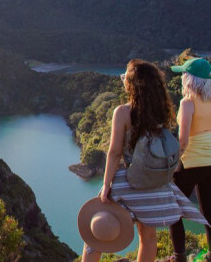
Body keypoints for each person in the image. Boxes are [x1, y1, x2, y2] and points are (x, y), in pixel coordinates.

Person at [81, 59, 208, 262]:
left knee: (96, 234)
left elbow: (114, 153)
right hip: (155, 185)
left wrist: (106, 185)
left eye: (125, 77)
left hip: (127, 181)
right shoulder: (162, 112)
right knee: (148, 238)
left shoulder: (123, 112)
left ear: (132, 85)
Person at [168, 57, 211, 262]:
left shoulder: (187, 103)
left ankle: (179, 256)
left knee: (173, 208)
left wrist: (175, 164)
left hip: (192, 161)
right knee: (209, 210)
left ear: (190, 79)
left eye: (184, 74)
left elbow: (183, 139)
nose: (182, 77)